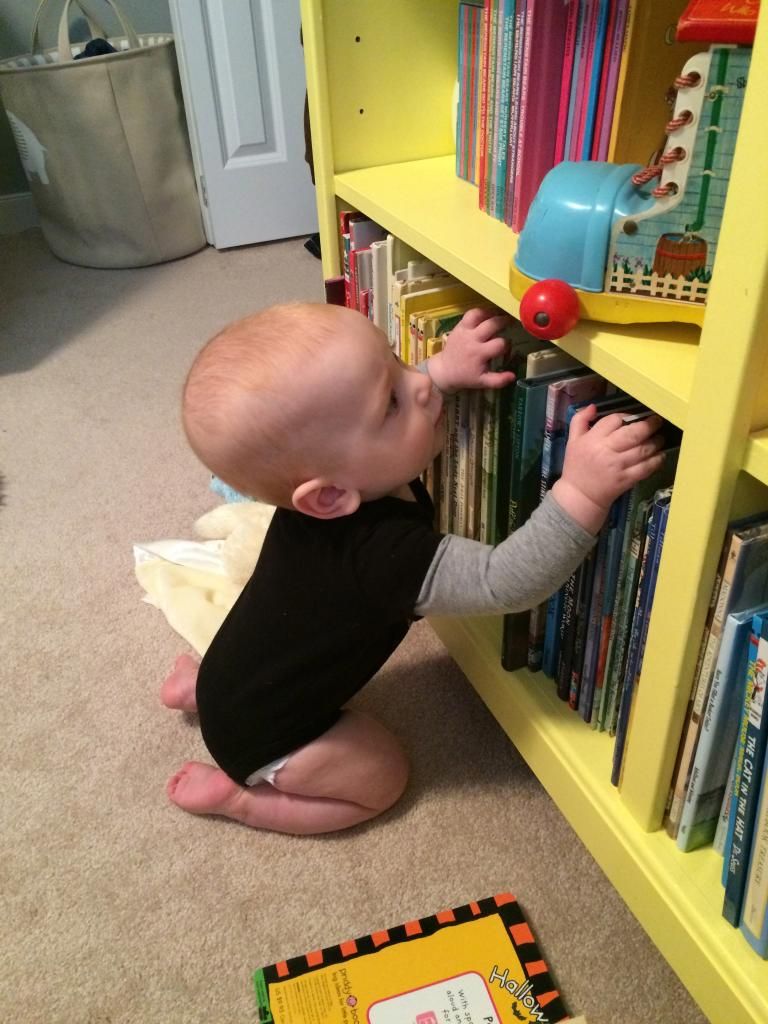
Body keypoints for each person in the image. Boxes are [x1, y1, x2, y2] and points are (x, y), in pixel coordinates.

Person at [161, 301, 665, 835]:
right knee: (384, 777)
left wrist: (443, 371)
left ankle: (205, 692)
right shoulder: (381, 556)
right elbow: (506, 582)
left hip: (233, 680)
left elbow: (362, 411)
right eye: (393, 403)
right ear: (329, 496)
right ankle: (244, 801)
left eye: (398, 360)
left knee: (274, 648)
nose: (420, 386)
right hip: (269, 739)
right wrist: (582, 490)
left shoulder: (332, 489)